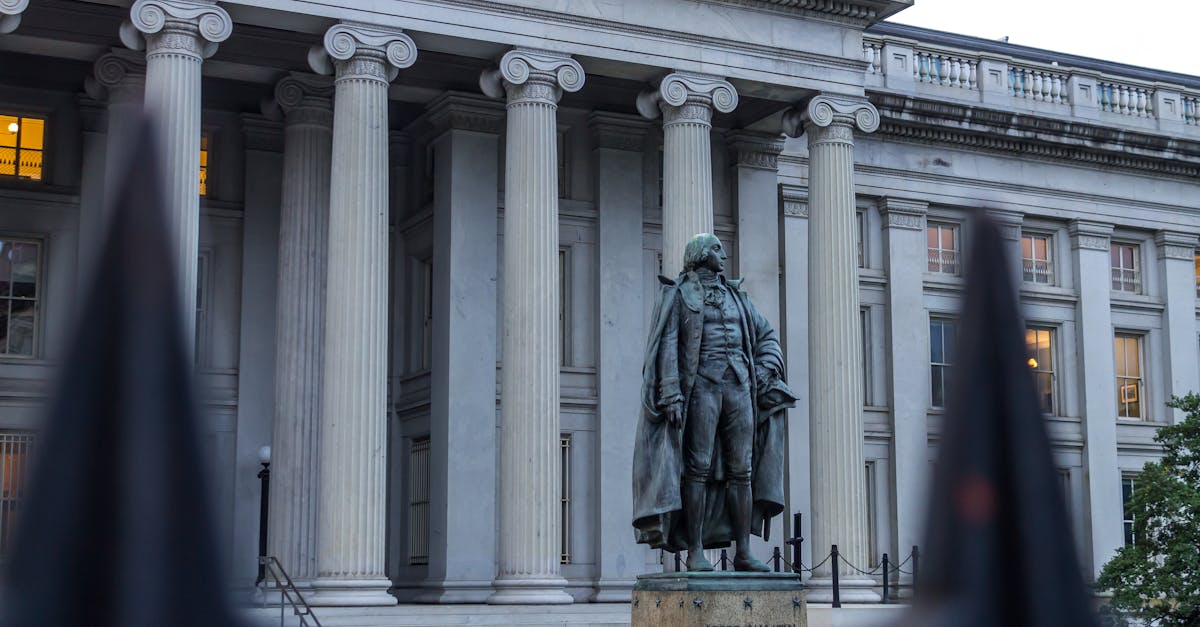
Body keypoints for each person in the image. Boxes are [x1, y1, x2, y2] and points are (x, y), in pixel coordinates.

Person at [632, 233, 798, 572]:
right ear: (702, 254)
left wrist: (766, 368)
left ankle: (744, 552)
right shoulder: (679, 295)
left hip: (739, 388)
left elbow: (767, 337)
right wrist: (671, 392)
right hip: (702, 389)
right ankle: (694, 550)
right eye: (717, 249)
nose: (723, 254)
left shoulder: (739, 297)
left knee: (742, 471)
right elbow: (666, 343)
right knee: (697, 470)